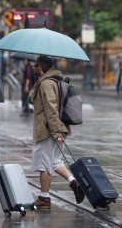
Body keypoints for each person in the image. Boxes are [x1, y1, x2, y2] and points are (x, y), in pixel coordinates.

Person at [30, 56, 84, 209]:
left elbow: (51, 109)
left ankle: (44, 199)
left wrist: (55, 132)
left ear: (40, 68)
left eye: (35, 66)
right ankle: (74, 183)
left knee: (44, 164)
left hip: (49, 130)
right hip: (57, 128)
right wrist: (34, 98)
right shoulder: (52, 81)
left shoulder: (46, 83)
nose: (33, 68)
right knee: (54, 162)